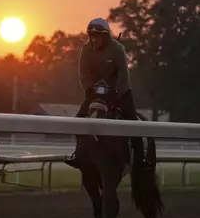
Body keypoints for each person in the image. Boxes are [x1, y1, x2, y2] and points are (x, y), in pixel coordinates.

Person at [64, 17, 151, 170]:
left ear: (105, 36)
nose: (94, 39)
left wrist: (116, 93)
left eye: (97, 36)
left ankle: (140, 157)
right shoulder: (86, 49)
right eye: (92, 35)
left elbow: (124, 74)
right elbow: (83, 73)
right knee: (79, 118)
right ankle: (78, 154)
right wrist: (89, 90)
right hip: (95, 92)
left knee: (131, 120)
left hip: (119, 92)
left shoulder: (117, 49)